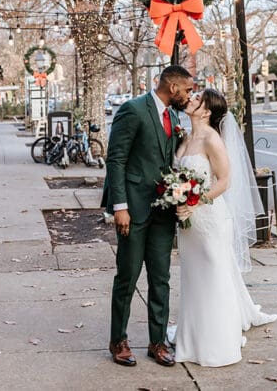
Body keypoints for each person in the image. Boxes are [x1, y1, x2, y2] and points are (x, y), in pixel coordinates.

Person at [171, 88, 277, 366]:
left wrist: (195, 202)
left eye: (197, 99)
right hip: (187, 222)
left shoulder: (212, 139)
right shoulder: (185, 137)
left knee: (215, 274)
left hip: (210, 219)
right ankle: (192, 335)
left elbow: (224, 181)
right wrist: (177, 197)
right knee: (194, 277)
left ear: (206, 111)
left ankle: (218, 339)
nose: (191, 100)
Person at [103, 65, 194, 367]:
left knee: (161, 278)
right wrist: (120, 207)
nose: (189, 95)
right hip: (134, 210)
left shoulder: (174, 116)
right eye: (188, 89)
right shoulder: (133, 110)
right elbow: (116, 159)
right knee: (127, 277)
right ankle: (119, 340)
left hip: (163, 211)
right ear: (171, 85)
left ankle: (157, 342)